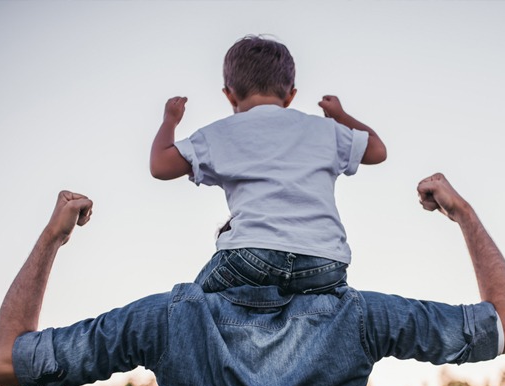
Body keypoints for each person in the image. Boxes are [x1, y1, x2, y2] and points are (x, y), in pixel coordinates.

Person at [0, 173, 505, 386]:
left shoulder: (167, 321)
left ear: (226, 243)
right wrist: (462, 213)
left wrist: (53, 238)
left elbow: (4, 360)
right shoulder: (359, 318)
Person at [150, 35, 387, 295]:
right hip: (325, 263)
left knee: (191, 304)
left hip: (252, 257)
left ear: (229, 95)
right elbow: (377, 150)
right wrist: (340, 116)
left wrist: (170, 120)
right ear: (291, 95)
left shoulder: (221, 133)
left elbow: (160, 165)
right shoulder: (324, 129)